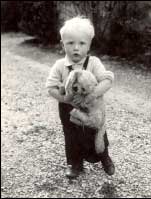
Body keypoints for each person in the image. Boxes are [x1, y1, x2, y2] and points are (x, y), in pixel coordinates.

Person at [46, 16, 115, 178]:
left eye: (82, 43)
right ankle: (75, 164)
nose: (76, 48)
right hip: (68, 107)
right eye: (70, 43)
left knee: (97, 131)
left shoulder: (94, 63)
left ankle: (105, 158)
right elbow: (50, 87)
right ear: (63, 44)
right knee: (71, 136)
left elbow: (108, 80)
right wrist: (64, 99)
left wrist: (94, 95)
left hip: (92, 106)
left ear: (89, 45)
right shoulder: (59, 66)